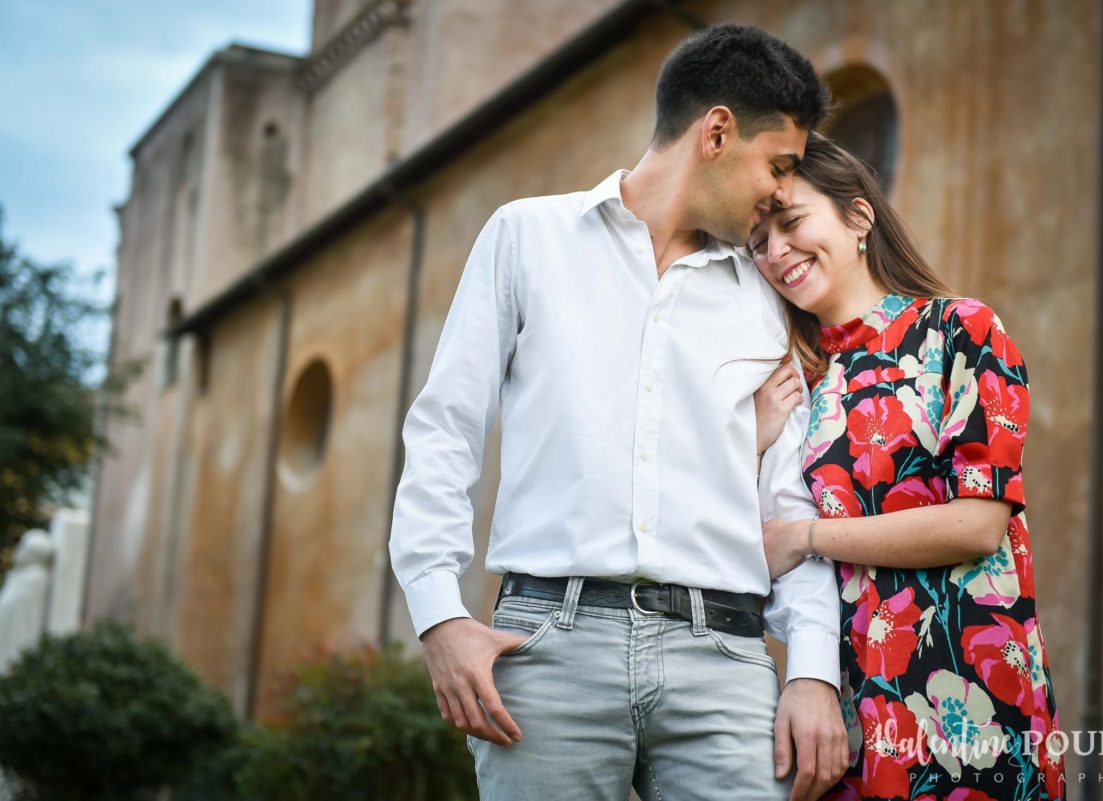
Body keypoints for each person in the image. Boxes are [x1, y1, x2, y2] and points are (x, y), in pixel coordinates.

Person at [391, 24, 849, 801]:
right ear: (715, 132)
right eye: (777, 165)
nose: (780, 193)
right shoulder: (525, 238)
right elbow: (444, 432)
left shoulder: (769, 296)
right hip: (545, 652)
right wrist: (439, 615)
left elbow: (789, 497)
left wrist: (811, 671)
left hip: (725, 659)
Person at [749, 132, 1067, 801]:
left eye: (792, 222)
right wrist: (750, 440)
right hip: (851, 710)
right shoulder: (795, 382)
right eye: (758, 241)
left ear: (858, 217)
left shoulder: (963, 332)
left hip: (970, 693)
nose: (776, 252)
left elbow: (978, 523)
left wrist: (806, 536)